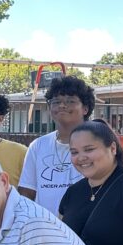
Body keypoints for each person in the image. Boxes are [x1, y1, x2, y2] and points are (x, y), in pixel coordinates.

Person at [19, 76, 95, 215]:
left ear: (85, 108)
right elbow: (27, 192)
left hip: (86, 227)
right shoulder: (38, 146)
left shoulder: (97, 143)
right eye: (56, 101)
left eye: (70, 101)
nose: (62, 105)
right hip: (46, 230)